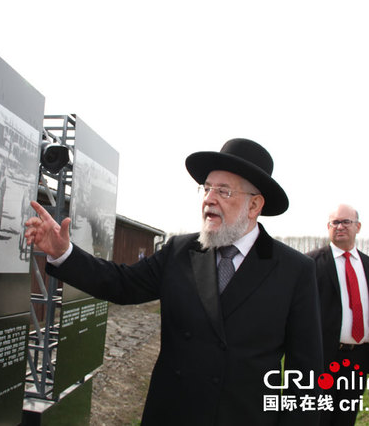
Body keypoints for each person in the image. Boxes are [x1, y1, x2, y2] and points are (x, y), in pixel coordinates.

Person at [25, 138, 323, 425]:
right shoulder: (180, 251)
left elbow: (306, 375)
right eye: (206, 188)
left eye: (223, 191)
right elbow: (121, 283)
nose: (209, 199)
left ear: (255, 205)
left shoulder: (294, 271)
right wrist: (65, 254)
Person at [307, 204, 369, 426]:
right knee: (319, 417)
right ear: (328, 227)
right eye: (335, 222)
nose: (340, 227)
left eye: (346, 222)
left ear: (358, 227)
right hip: (323, 357)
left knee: (346, 418)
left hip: (358, 359)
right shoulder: (310, 264)